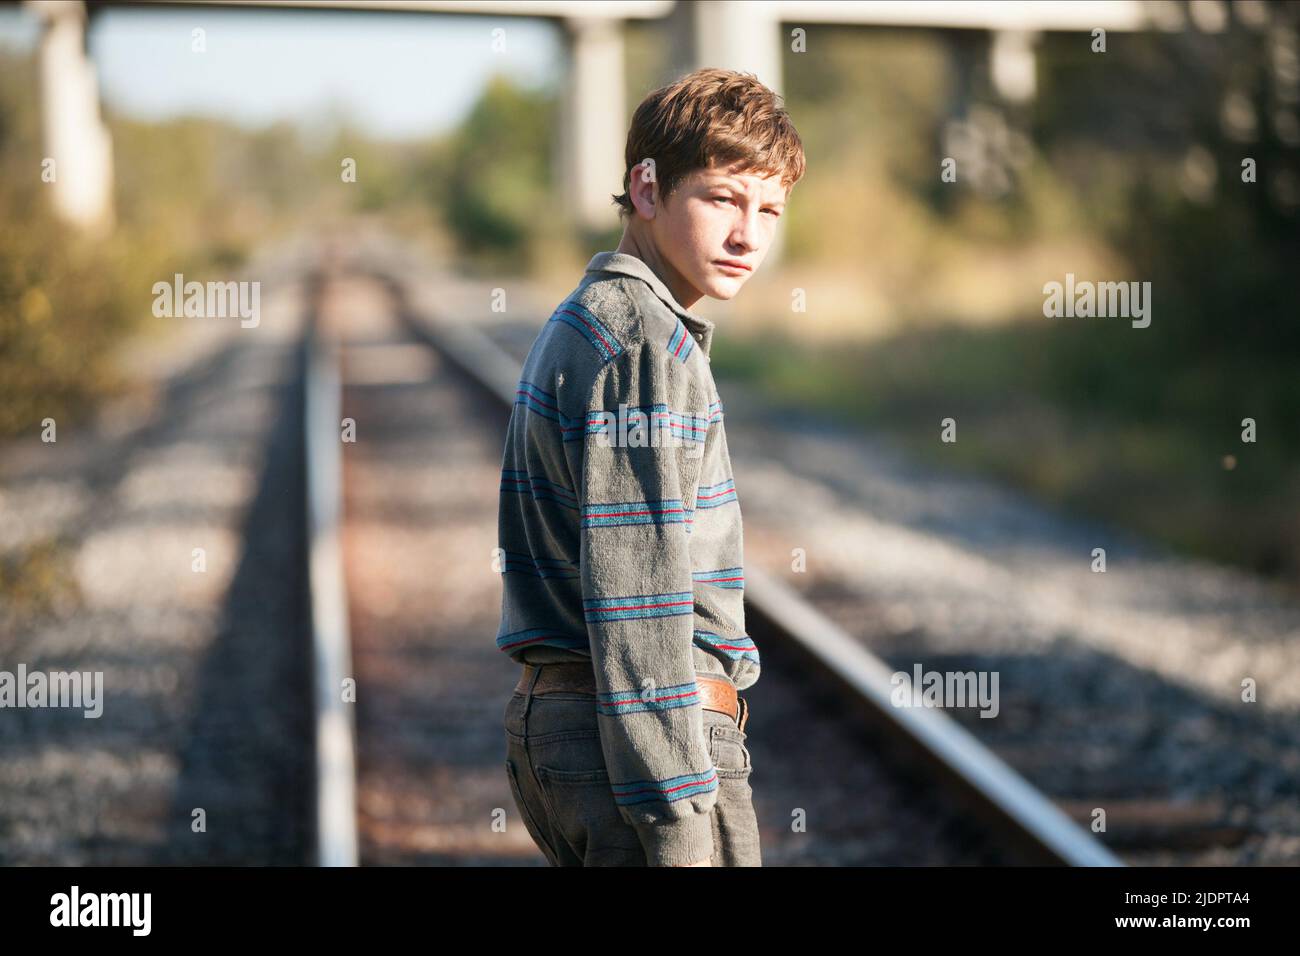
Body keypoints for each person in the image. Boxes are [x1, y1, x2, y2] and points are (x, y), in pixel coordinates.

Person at [496, 67, 806, 867]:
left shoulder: (591, 319)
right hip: (638, 747)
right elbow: (639, 601)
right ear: (646, 188)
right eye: (722, 199)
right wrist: (674, 820)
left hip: (572, 730)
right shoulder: (642, 346)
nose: (749, 237)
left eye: (768, 209)